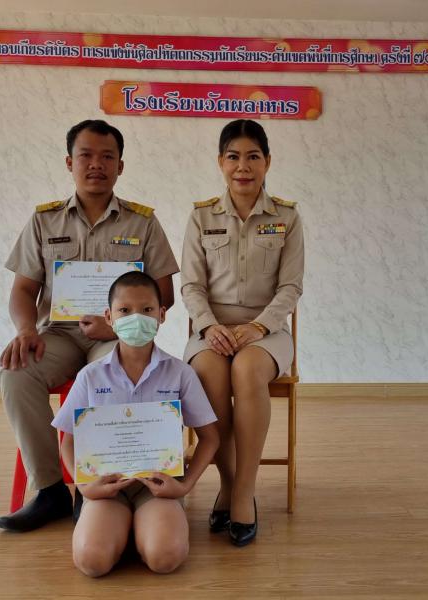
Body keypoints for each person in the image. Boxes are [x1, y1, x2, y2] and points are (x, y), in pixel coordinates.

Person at [0, 120, 180, 532]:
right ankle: (50, 491)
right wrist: (26, 330)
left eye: (107, 157)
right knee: (15, 373)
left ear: (120, 166)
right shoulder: (44, 221)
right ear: (69, 162)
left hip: (116, 337)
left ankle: (99, 488)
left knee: (113, 371)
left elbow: (164, 295)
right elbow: (23, 290)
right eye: (86, 156)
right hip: (57, 336)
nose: (96, 164)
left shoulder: (143, 223)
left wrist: (119, 326)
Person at [180, 119, 304, 547]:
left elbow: (291, 287)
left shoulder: (287, 216)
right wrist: (210, 326)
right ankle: (229, 484)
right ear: (221, 162)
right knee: (210, 373)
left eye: (253, 156)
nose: (243, 166)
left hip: (266, 331)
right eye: (233, 156)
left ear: (267, 161)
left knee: (247, 370)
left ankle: (244, 492)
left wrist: (258, 326)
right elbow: (191, 286)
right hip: (211, 329)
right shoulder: (201, 217)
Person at [52, 271, 219, 576]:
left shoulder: (180, 374)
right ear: (109, 317)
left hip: (157, 487)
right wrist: (85, 488)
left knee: (166, 558)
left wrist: (183, 487)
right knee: (91, 562)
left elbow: (210, 437)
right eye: (125, 310)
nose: (136, 318)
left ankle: (141, 530)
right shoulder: (90, 375)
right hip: (106, 485)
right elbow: (68, 440)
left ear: (162, 315)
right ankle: (123, 528)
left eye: (147, 309)